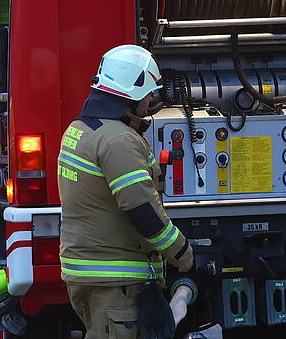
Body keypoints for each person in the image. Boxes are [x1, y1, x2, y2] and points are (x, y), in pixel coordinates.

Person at [58, 45, 194, 339]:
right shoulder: (119, 140)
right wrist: (180, 251)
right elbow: (142, 211)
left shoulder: (80, 129)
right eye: (148, 92)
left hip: (92, 275)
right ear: (132, 92)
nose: (150, 99)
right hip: (117, 280)